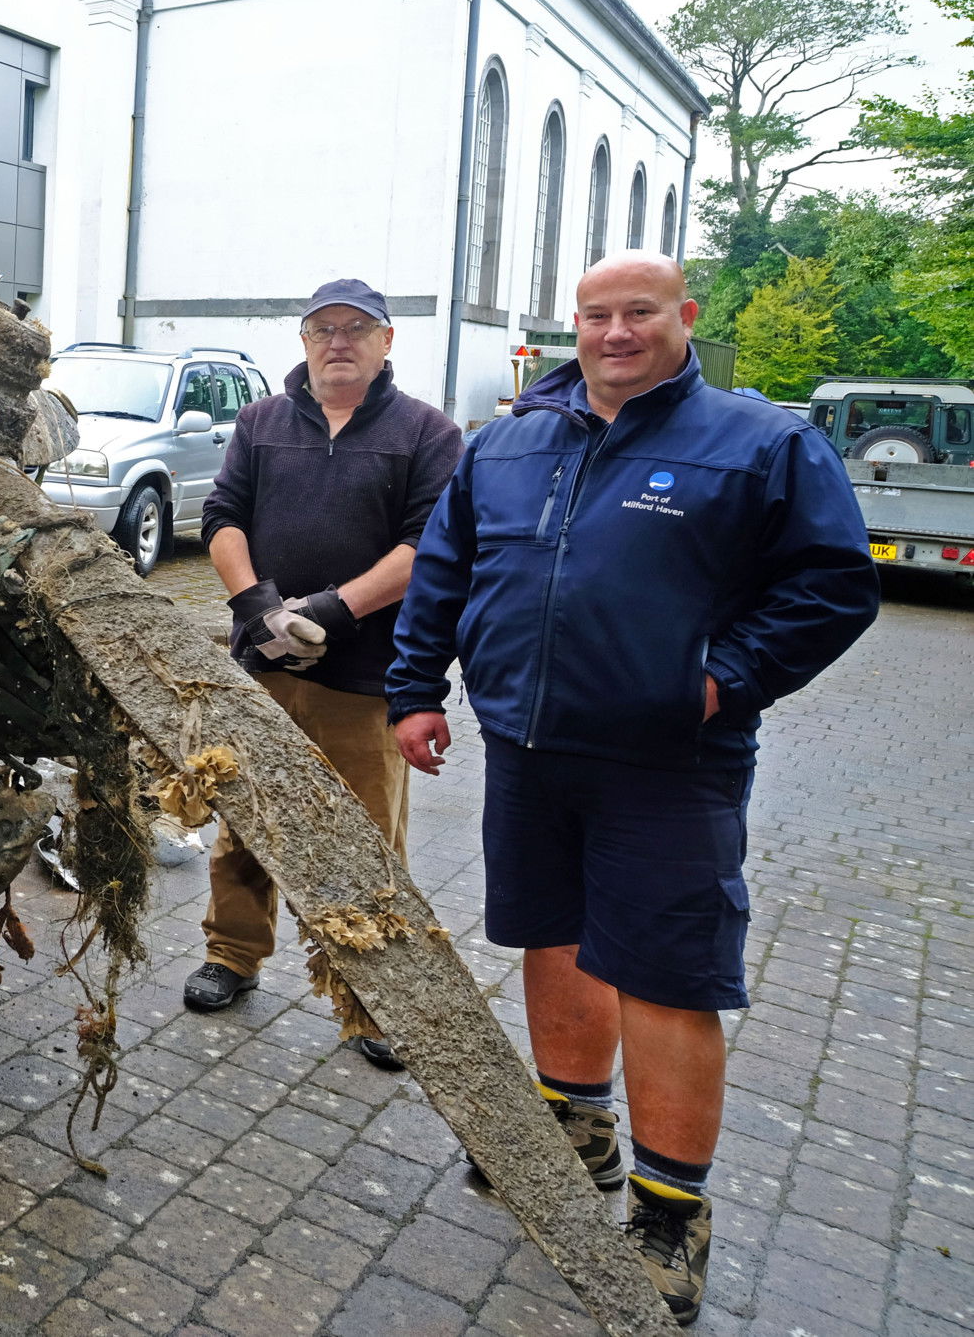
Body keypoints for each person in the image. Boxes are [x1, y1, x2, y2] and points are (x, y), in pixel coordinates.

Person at [388, 251, 879, 1325]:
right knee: (551, 934)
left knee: (664, 973)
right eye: (595, 314)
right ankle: (573, 1123)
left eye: (638, 312)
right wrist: (415, 689)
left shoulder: (760, 442)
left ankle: (669, 1208)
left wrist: (720, 679)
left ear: (683, 316)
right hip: (523, 743)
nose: (615, 332)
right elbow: (444, 568)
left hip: (668, 762)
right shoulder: (510, 440)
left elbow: (835, 584)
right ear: (573, 324)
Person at [183, 278, 463, 1072]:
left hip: (366, 673)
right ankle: (233, 954)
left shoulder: (426, 432)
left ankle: (373, 995)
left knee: (365, 839)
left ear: (386, 341)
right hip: (264, 664)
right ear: (304, 340)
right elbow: (222, 516)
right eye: (321, 328)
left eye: (355, 328)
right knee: (246, 811)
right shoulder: (261, 421)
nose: (337, 341)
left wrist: (336, 611)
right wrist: (259, 605)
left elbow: (429, 545)